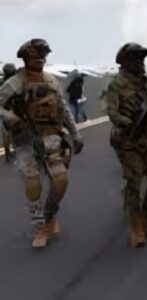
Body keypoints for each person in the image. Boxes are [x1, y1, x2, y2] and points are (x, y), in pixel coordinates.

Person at [0, 39, 84, 248]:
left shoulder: (51, 80)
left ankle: (49, 216)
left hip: (51, 138)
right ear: (26, 58)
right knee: (33, 186)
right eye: (35, 56)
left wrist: (76, 134)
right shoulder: (15, 82)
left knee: (61, 180)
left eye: (42, 56)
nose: (40, 60)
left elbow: (63, 109)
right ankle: (40, 226)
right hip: (26, 140)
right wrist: (10, 117)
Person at [105, 43, 147, 248]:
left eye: (141, 59)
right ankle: (135, 226)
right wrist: (126, 122)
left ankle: (144, 212)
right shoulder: (116, 84)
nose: (140, 63)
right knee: (134, 181)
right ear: (124, 62)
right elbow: (112, 112)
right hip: (127, 140)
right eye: (135, 59)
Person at [1, 63, 17, 163]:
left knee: (5, 132)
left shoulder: (2, 82)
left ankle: (7, 154)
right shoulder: (16, 82)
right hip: (15, 109)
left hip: (4, 109)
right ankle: (15, 151)